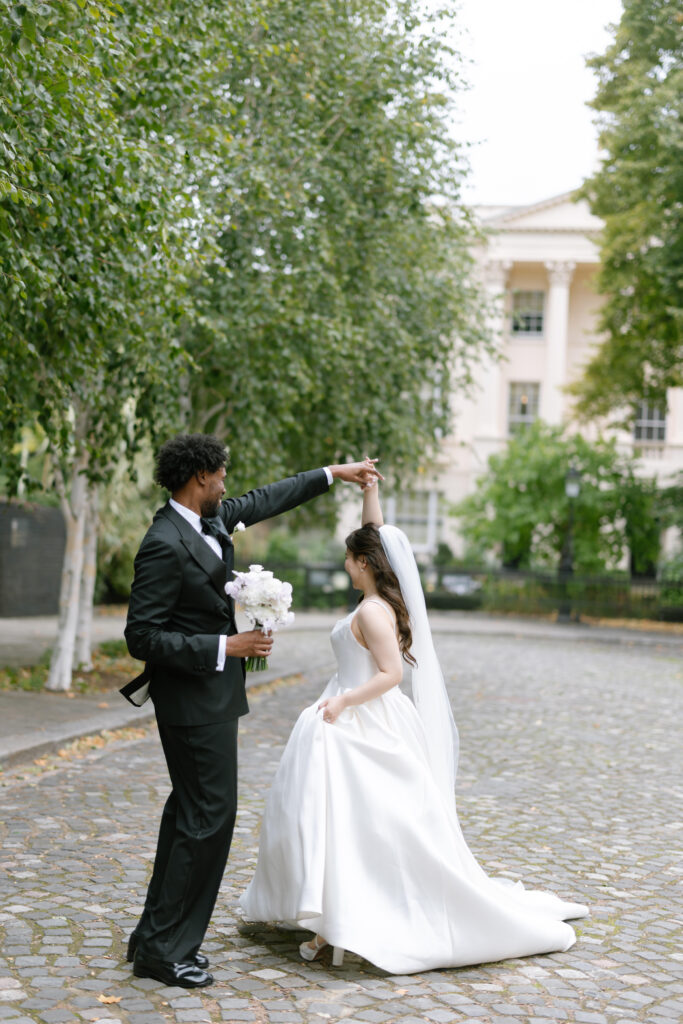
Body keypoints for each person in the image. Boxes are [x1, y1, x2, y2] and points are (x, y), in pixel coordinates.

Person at [239, 479, 588, 974]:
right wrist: (370, 488)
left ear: (363, 563)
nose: (344, 565)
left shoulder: (373, 611)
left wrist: (342, 703)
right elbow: (372, 532)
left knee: (367, 822)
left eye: (348, 558)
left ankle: (346, 916)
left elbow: (392, 675)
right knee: (335, 819)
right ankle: (332, 911)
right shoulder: (378, 597)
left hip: (361, 718)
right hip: (348, 714)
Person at [122, 433, 381, 988]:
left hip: (212, 698)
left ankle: (153, 935)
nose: (225, 485)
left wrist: (332, 473)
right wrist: (225, 648)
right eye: (219, 476)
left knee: (188, 815)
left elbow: (267, 499)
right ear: (199, 480)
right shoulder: (164, 541)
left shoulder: (208, 522)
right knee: (208, 819)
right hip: (190, 699)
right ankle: (168, 952)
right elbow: (141, 636)